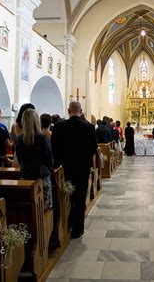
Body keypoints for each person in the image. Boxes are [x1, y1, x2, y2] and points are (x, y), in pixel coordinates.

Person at [51, 101, 97, 238]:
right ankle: (78, 229)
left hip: (65, 169)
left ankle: (67, 223)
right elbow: (93, 149)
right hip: (82, 168)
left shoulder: (59, 126)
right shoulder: (89, 126)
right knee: (80, 196)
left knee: (66, 196)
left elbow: (54, 148)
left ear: (68, 110)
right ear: (81, 110)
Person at [16, 109, 53, 209]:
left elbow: (19, 159)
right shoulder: (42, 138)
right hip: (41, 176)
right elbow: (49, 160)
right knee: (44, 209)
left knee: (28, 207)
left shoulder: (19, 138)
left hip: (25, 175)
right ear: (37, 121)